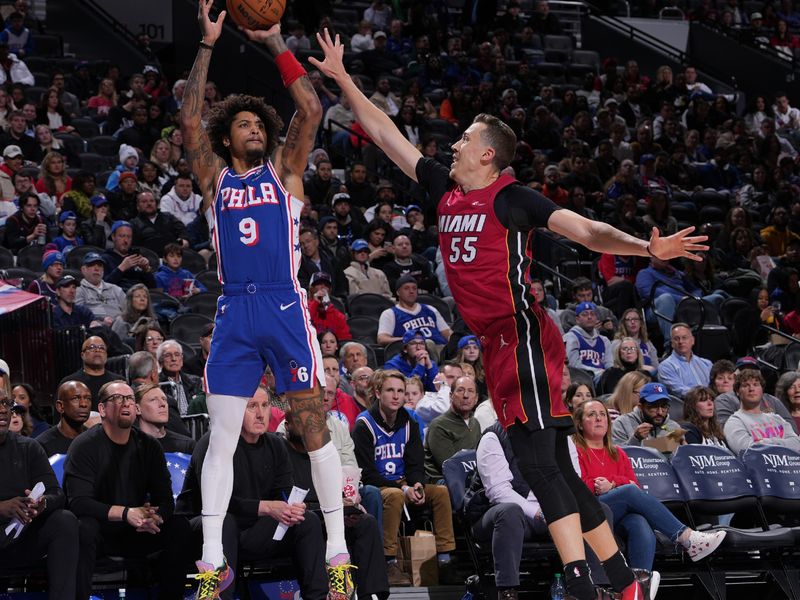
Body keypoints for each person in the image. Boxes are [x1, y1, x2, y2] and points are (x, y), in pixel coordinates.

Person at [312, 30, 708, 600]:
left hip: (523, 336)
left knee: (536, 460)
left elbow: (587, 231)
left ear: (488, 153)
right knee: (557, 467)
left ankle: (580, 583)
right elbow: (386, 134)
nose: (454, 145)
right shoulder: (446, 190)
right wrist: (344, 80)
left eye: (466, 138)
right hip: (496, 344)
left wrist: (645, 249)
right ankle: (624, 583)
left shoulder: (512, 199)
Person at [181, 4, 354, 597]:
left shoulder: (287, 174)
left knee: (312, 429)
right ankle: (211, 563)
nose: (256, 127)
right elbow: (188, 120)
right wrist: (207, 44)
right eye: (245, 124)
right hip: (233, 310)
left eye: (260, 123)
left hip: (283, 307)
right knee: (221, 439)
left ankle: (337, 554)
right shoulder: (213, 179)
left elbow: (310, 107)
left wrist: (277, 40)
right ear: (226, 137)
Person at [177, 389, 330, 600]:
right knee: (225, 521)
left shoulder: (276, 444)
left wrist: (292, 508)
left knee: (307, 521)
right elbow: (212, 505)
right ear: (234, 410)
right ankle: (220, 596)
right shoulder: (213, 444)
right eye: (252, 406)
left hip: (252, 530)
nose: (261, 414)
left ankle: (319, 597)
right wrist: (267, 507)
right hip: (204, 530)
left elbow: (283, 492)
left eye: (265, 405)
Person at [64, 381, 194, 600]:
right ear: (103, 409)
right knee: (82, 527)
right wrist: (126, 513)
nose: (126, 403)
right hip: (102, 533)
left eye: (130, 399)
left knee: (178, 527)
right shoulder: (84, 446)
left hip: (138, 530)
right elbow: (78, 502)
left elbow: (165, 499)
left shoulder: (149, 446)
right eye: (118, 398)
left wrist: (155, 515)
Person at [574, 400, 726, 575]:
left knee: (640, 523)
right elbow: (579, 485)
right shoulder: (576, 451)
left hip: (615, 512)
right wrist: (609, 485)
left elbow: (635, 486)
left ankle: (640, 584)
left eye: (602, 414)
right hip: (589, 510)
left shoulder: (618, 453)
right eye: (591, 415)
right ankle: (686, 537)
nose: (599, 419)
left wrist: (613, 484)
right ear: (579, 424)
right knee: (629, 492)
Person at [351, 370, 457, 585]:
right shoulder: (364, 424)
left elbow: (416, 463)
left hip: (405, 483)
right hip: (377, 486)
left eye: (401, 391)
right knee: (394, 495)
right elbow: (367, 472)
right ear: (378, 393)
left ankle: (445, 558)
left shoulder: (409, 422)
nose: (397, 396)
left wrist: (416, 483)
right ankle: (389, 561)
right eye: (390, 390)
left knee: (440, 492)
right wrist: (403, 488)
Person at [279, 405, 391, 598]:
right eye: (300, 421)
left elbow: (335, 490)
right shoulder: (279, 449)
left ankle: (372, 594)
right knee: (311, 522)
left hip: (330, 514)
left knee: (366, 522)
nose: (307, 426)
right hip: (297, 520)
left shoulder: (324, 453)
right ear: (287, 426)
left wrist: (348, 506)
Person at [0, 388, 79, 600]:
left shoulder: (29, 447)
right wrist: (2, 508)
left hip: (20, 536)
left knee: (64, 521)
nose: (3, 410)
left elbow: (56, 493)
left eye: (6, 404)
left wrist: (42, 504)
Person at [724, 370, 800, 453]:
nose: (751, 389)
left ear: (762, 390)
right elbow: (748, 450)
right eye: (746, 385)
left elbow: (796, 443)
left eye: (756, 385)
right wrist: (782, 443)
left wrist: (763, 442)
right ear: (737, 392)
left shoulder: (777, 418)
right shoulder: (734, 422)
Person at [424, 375, 481, 482]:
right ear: (450, 396)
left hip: (471, 477)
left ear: (476, 398)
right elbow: (451, 467)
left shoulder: (475, 423)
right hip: (444, 481)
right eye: (460, 390)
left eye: (470, 391)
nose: (466, 395)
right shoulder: (439, 425)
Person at [377, 274, 452, 347]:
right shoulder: (390, 313)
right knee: (427, 343)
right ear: (398, 292)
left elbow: (447, 333)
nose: (411, 291)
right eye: (406, 288)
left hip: (441, 348)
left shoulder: (430, 309)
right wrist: (406, 340)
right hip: (417, 352)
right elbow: (382, 339)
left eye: (414, 288)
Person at [59, 336, 124, 411]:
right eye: (92, 347)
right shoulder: (69, 383)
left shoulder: (119, 382)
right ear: (82, 355)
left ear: (106, 355)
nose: (97, 350)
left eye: (102, 348)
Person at [611, 382, 683, 447]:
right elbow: (616, 457)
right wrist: (636, 439)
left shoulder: (674, 427)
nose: (660, 412)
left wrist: (684, 449)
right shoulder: (622, 423)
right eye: (654, 406)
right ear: (641, 407)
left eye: (664, 406)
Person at [134, 382, 196, 453]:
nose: (162, 404)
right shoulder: (130, 447)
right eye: (153, 400)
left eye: (164, 399)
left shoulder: (186, 446)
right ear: (137, 409)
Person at [35, 380, 91, 456]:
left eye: (88, 398)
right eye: (76, 398)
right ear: (60, 406)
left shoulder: (95, 439)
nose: (84, 404)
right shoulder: (42, 445)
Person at [658, 323, 713, 399]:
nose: (681, 342)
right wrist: (706, 397)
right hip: (685, 407)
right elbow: (680, 391)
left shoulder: (707, 364)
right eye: (676, 338)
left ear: (692, 340)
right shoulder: (666, 366)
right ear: (672, 343)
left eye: (684, 337)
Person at [564, 302, 613, 384]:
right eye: (585, 314)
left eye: (592, 314)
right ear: (577, 319)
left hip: (603, 378)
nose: (589, 317)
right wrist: (597, 372)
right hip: (581, 379)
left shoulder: (604, 340)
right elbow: (574, 366)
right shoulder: (571, 337)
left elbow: (609, 365)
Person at [101, 220, 157, 291]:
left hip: (140, 296)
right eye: (122, 236)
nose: (125, 240)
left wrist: (146, 270)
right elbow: (103, 287)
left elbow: (153, 287)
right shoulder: (105, 258)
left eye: (129, 237)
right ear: (113, 237)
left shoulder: (136, 257)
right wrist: (121, 268)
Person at [76, 252, 126, 326]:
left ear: (103, 270)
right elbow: (78, 315)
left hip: (119, 326)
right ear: (83, 269)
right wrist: (101, 321)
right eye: (92, 265)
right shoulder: (79, 290)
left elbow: (129, 311)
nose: (96, 268)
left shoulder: (115, 289)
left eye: (100, 265)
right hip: (95, 329)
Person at [610, 309, 659, 375]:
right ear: (624, 324)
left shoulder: (648, 344)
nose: (632, 322)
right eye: (629, 319)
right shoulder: (617, 343)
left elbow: (656, 367)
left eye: (635, 319)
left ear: (641, 323)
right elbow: (614, 366)